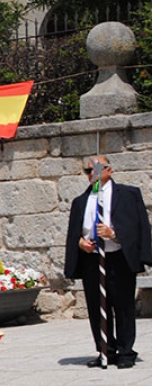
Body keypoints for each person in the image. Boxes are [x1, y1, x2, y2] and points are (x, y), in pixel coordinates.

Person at [65, 155, 152, 369]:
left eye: (95, 169)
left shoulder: (129, 195)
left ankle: (125, 351)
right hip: (92, 260)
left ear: (109, 170)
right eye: (87, 171)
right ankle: (105, 350)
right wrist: (80, 242)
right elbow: (75, 232)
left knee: (123, 306)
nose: (91, 174)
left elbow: (138, 227)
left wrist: (114, 234)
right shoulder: (81, 202)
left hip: (118, 257)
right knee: (97, 307)